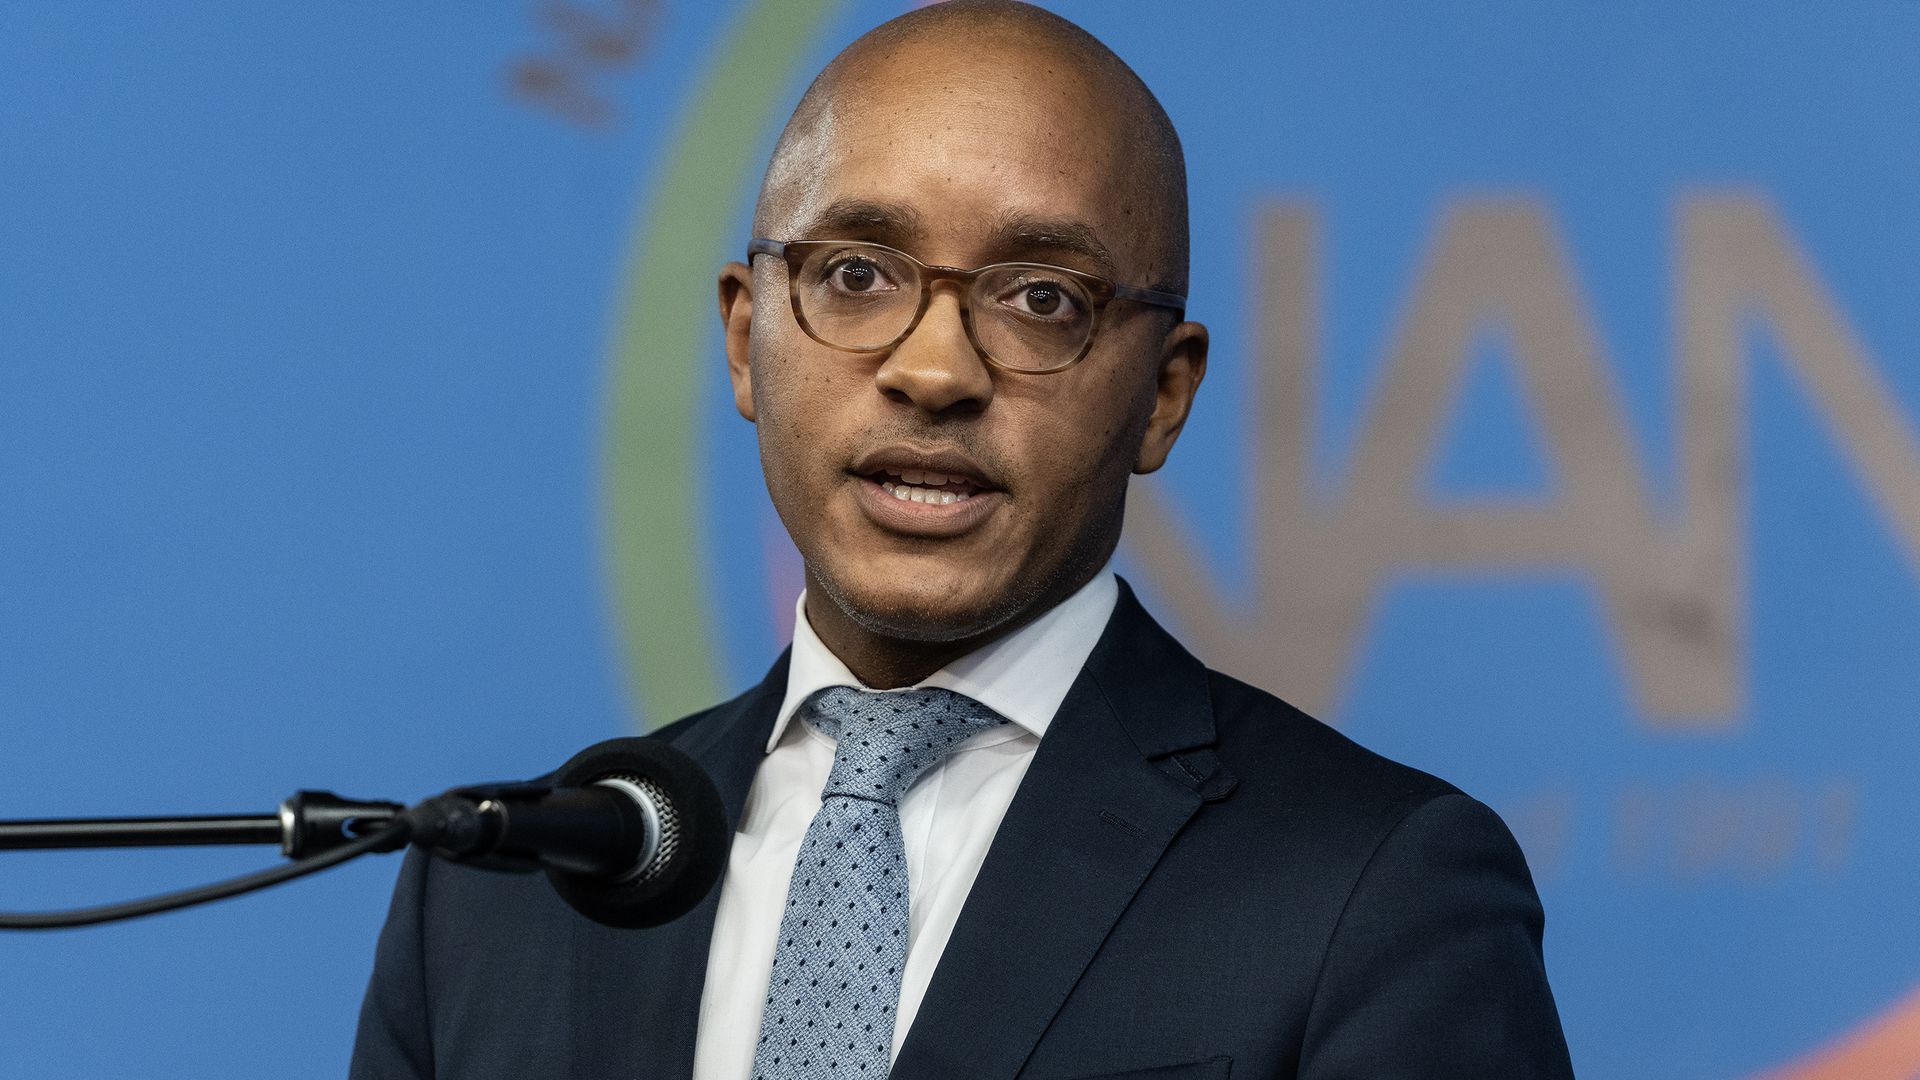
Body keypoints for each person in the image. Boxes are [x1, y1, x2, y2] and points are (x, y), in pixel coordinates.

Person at [350, 3, 1576, 1078]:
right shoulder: (495, 897)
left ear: (1163, 393)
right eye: (856, 275)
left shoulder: (1372, 892)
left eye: (1044, 297)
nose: (934, 369)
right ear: (743, 337)